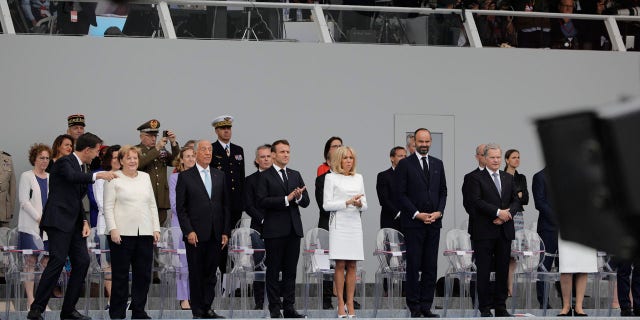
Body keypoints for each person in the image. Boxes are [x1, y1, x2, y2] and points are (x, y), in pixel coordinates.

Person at [28, 132, 117, 320]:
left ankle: (68, 310)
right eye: (95, 151)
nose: (97, 155)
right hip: (58, 221)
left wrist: (84, 220)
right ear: (87, 150)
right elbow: (71, 177)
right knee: (57, 261)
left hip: (74, 223)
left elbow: (76, 199)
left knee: (83, 262)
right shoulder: (64, 162)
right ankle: (36, 309)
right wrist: (98, 175)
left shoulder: (82, 167)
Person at [103, 145, 160, 320]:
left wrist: (155, 228)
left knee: (143, 275)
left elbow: (151, 204)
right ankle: (117, 313)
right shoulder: (113, 178)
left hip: (144, 233)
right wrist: (113, 229)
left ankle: (139, 311)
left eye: (135, 158)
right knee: (120, 276)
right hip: (121, 235)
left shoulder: (145, 177)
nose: (133, 161)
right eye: (128, 158)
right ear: (121, 161)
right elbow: (108, 206)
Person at [395, 128, 447, 318]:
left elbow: (443, 191)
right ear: (414, 142)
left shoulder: (438, 164)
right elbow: (400, 195)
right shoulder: (405, 164)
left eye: (427, 141)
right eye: (420, 142)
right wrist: (417, 214)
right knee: (414, 265)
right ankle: (414, 307)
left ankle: (426, 305)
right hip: (414, 224)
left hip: (434, 223)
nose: (424, 145)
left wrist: (439, 212)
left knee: (430, 266)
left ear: (430, 141)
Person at [176, 140, 230, 319]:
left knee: (211, 273)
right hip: (195, 234)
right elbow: (181, 208)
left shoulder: (219, 175)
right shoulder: (186, 176)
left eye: (210, 150)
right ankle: (197, 310)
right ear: (196, 152)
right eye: (204, 149)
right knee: (197, 272)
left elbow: (225, 206)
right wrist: (188, 231)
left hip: (215, 233)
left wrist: (225, 231)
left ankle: (208, 307)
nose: (208, 152)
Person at [256, 140, 309, 319]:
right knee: (273, 270)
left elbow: (306, 201)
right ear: (273, 155)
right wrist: (286, 199)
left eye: (288, 151)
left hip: (294, 230)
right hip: (274, 230)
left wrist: (299, 197)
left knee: (290, 271)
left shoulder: (295, 174)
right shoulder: (265, 176)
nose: (286, 155)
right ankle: (274, 308)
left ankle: (289, 307)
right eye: (282, 152)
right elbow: (262, 201)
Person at [467, 143, 519, 318]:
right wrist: (497, 213)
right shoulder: (474, 178)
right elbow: (476, 201)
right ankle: (484, 308)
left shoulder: (508, 177)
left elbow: (516, 201)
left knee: (503, 270)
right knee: (484, 270)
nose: (496, 160)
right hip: (484, 231)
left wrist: (507, 214)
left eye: (498, 157)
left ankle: (501, 307)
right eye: (492, 157)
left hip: (504, 231)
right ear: (485, 158)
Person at [323, 146, 367, 318]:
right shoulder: (330, 177)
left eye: (351, 158)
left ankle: (350, 302)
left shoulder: (359, 177)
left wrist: (358, 204)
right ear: (339, 160)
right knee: (340, 264)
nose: (349, 161)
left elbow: (366, 203)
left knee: (353, 265)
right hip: (339, 223)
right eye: (345, 158)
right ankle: (340, 302)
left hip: (354, 223)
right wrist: (347, 202)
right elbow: (326, 204)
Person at [211, 115, 245, 282]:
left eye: (229, 128)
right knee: (220, 241)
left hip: (236, 205)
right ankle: (218, 278)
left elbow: (241, 177)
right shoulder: (212, 149)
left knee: (234, 241)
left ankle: (231, 282)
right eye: (223, 128)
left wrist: (243, 201)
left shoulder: (238, 150)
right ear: (216, 131)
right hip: (219, 204)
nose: (226, 131)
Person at [18, 143, 52, 309]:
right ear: (34, 159)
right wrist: (39, 218)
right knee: (30, 261)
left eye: (47, 158)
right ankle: (30, 299)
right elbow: (24, 201)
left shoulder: (51, 177)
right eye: (41, 158)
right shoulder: (26, 176)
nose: (44, 161)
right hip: (31, 225)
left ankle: (41, 299)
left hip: (48, 228)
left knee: (46, 262)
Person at [88, 145, 121, 308]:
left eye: (119, 157)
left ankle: (119, 298)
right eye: (114, 157)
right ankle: (111, 300)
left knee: (120, 264)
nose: (117, 160)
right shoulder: (100, 177)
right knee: (107, 264)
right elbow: (102, 204)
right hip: (105, 227)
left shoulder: (125, 177)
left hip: (124, 228)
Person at [243, 143, 272, 310]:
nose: (266, 159)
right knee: (259, 265)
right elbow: (248, 205)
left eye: (268, 156)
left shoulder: (280, 177)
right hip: (258, 228)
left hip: (278, 228)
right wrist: (262, 219)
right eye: (263, 156)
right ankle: (259, 302)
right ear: (257, 160)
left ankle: (275, 300)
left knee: (277, 265)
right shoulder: (250, 180)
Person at [136, 119, 180, 227]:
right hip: (145, 199)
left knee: (160, 230)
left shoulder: (162, 150)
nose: (154, 138)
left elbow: (176, 162)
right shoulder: (136, 150)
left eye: (155, 136)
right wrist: (157, 148)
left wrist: (173, 143)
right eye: (150, 136)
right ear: (141, 136)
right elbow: (140, 164)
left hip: (161, 199)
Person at [169, 146, 197, 311]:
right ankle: (184, 298)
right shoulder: (175, 178)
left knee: (197, 263)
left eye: (193, 156)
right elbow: (174, 205)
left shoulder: (202, 177)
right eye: (187, 156)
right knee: (183, 264)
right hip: (180, 225)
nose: (191, 159)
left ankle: (196, 296)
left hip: (199, 226)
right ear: (181, 160)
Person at [503, 149, 529, 296]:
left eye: (518, 157)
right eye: (514, 157)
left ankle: (510, 287)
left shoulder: (521, 178)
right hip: (505, 215)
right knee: (504, 251)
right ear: (507, 160)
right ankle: (503, 285)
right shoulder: (500, 175)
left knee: (514, 254)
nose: (517, 160)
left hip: (518, 216)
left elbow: (525, 199)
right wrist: (517, 194)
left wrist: (517, 195)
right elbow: (502, 198)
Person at [533, 167, 559, 308]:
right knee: (545, 265)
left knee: (566, 267)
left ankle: (568, 304)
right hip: (548, 228)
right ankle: (543, 303)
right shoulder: (540, 176)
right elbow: (540, 202)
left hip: (567, 230)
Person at [376, 146, 406, 231]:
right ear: (392, 158)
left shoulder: (410, 176)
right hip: (391, 220)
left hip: (409, 222)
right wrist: (399, 213)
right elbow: (383, 200)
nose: (404, 158)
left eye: (405, 156)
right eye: (400, 156)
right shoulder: (383, 176)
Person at [0, 148, 16, 227]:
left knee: (4, 238)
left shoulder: (7, 159)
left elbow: (12, 186)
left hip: (4, 210)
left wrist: (11, 210)